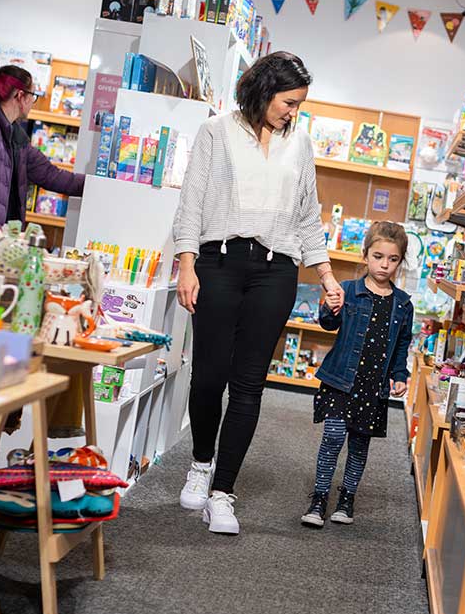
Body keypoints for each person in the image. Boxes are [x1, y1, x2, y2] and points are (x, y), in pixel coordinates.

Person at [172, 51, 344, 535]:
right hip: (218, 264)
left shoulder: (301, 142)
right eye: (289, 101)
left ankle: (223, 492)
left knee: (249, 384)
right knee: (208, 377)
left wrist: (327, 275)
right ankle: (201, 463)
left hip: (276, 272)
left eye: (299, 104)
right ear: (264, 90)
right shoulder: (217, 131)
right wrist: (187, 264)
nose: (294, 112)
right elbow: (192, 203)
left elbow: (308, 216)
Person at [301, 221, 414, 528]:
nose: (384, 265)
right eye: (378, 257)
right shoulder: (348, 290)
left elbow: (402, 344)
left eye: (392, 259)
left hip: (372, 386)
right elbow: (327, 323)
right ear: (365, 255)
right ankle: (319, 497)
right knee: (334, 435)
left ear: (400, 262)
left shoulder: (403, 304)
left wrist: (400, 374)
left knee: (359, 443)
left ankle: (347, 497)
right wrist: (329, 306)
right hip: (341, 379)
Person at [0, 64, 84, 227]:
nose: (33, 102)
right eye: (32, 95)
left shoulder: (15, 137)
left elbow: (50, 175)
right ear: (20, 96)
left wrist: (96, 185)